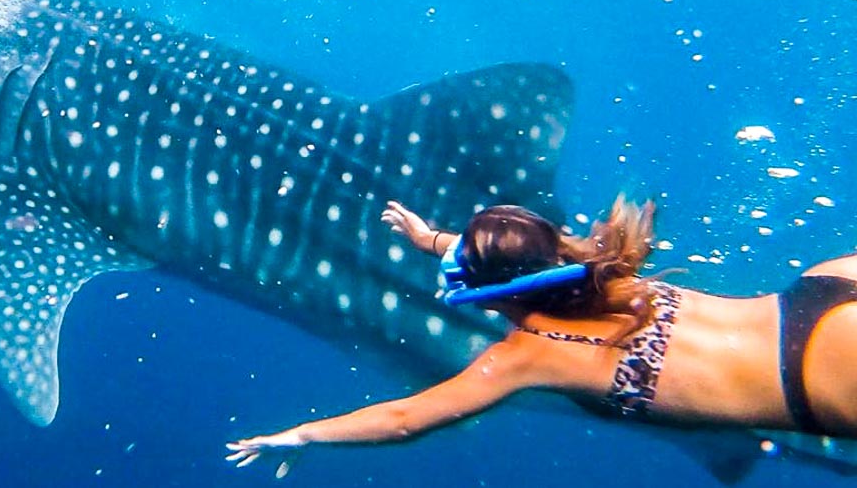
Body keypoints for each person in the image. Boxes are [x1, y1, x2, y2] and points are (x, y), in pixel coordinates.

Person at [226, 197, 857, 470]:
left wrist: (302, 434)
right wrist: (432, 239)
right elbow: (524, 256)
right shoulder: (600, 265)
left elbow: (404, 420)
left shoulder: (526, 359)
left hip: (816, 381)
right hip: (821, 295)